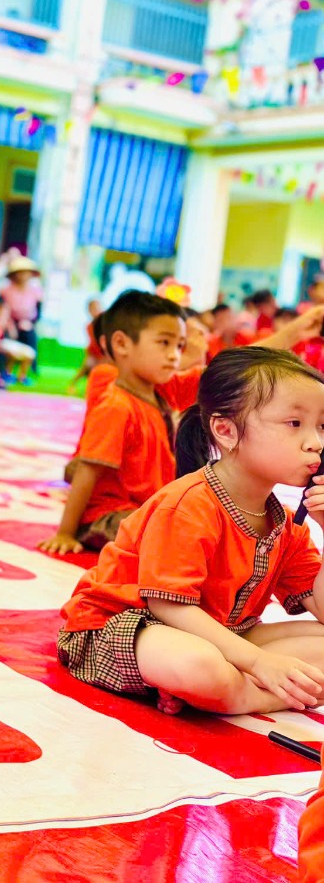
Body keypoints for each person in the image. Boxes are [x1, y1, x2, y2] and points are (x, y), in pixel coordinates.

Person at [57, 346, 324, 716]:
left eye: (321, 425)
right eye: (295, 423)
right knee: (200, 665)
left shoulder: (286, 524)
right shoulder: (188, 504)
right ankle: (247, 695)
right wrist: (259, 663)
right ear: (226, 430)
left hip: (222, 631)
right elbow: (169, 606)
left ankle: (222, 689)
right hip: (128, 625)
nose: (315, 442)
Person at [40, 292, 184, 555]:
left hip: (144, 511)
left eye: (179, 346)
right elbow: (87, 472)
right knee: (172, 537)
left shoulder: (157, 396)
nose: (174, 355)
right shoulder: (116, 406)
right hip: (107, 517)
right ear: (121, 344)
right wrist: (65, 533)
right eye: (164, 343)